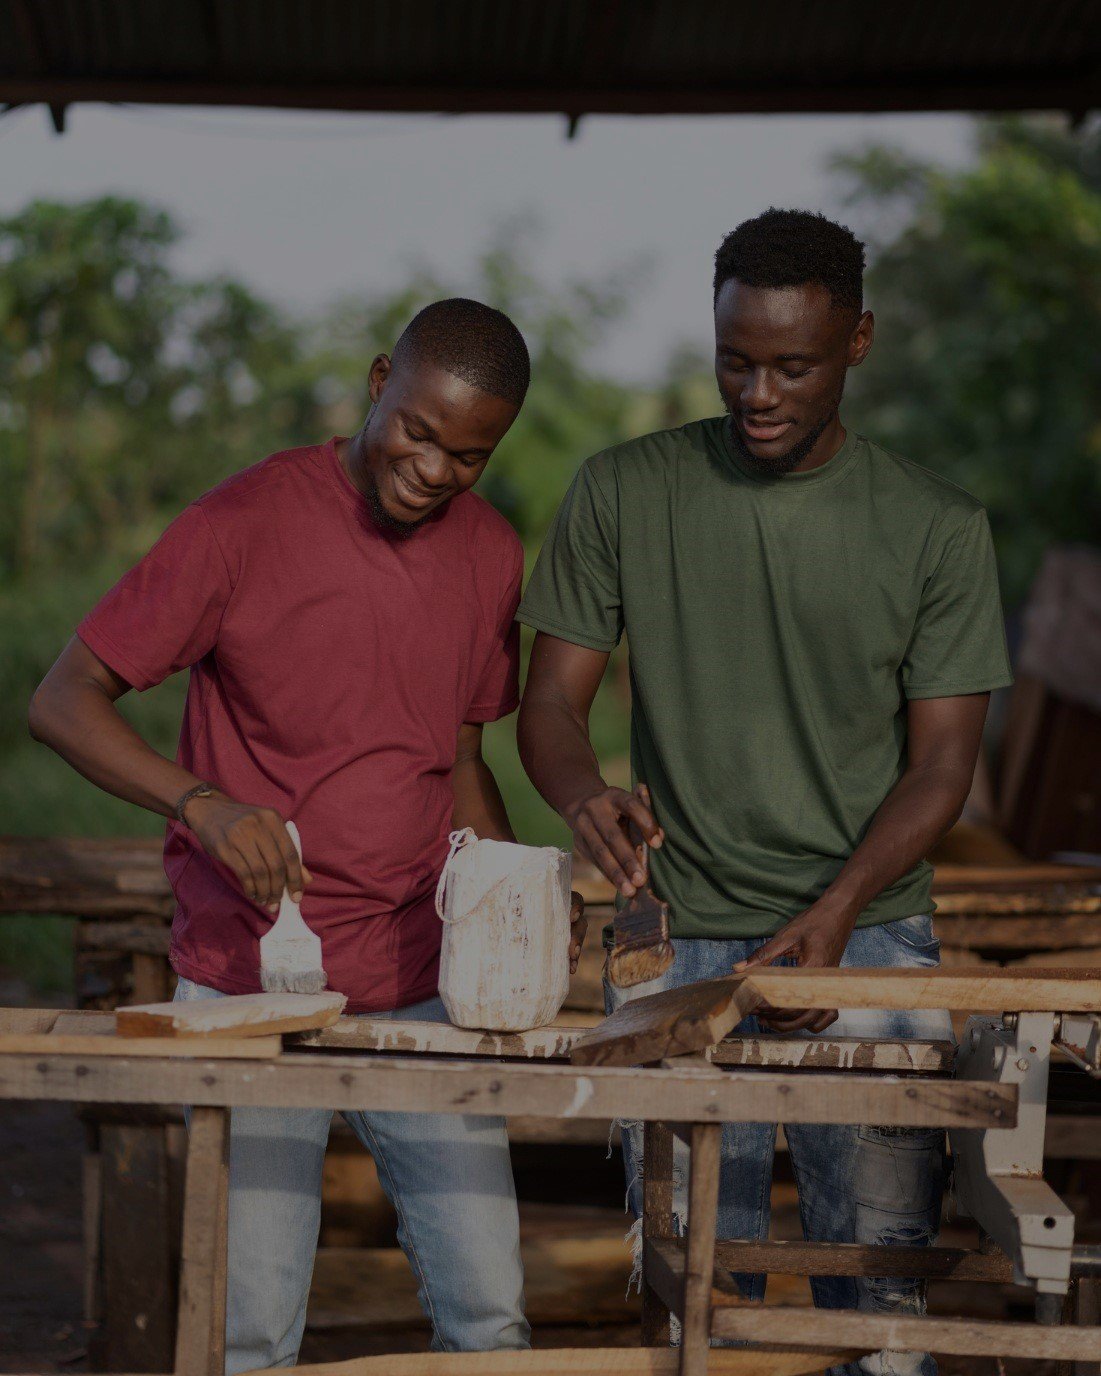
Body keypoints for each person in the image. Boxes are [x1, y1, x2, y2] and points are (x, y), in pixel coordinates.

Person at [30, 297, 585, 1372]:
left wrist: (517, 901)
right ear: (380, 380)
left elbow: (461, 757)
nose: (432, 469)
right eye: (418, 431)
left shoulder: (488, 553)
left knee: (491, 1318)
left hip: (422, 985)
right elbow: (64, 698)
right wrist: (202, 804)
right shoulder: (241, 522)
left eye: (467, 455)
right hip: (250, 989)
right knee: (250, 1331)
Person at [515, 210, 1013, 1376]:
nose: (759, 391)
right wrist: (583, 790)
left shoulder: (936, 526)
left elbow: (943, 766)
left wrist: (837, 912)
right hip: (678, 944)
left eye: (793, 365)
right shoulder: (625, 489)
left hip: (872, 943)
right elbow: (549, 707)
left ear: (860, 342)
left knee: (877, 1291)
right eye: (736, 358)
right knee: (697, 1296)